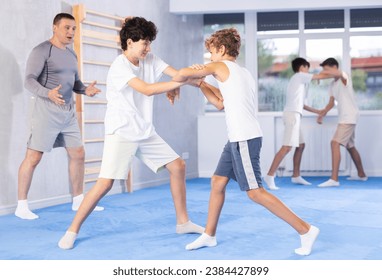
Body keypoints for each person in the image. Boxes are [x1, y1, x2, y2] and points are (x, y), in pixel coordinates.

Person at [58, 17, 204, 250]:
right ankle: (72, 230)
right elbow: (146, 90)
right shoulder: (119, 66)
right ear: (129, 42)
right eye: (144, 43)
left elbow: (176, 74)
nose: (148, 48)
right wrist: (180, 84)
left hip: (144, 131)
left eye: (149, 43)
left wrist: (196, 75)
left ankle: (183, 222)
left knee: (178, 166)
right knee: (105, 183)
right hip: (122, 131)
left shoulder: (150, 58)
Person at [173, 28, 319, 255]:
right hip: (237, 139)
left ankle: (305, 229)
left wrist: (188, 75)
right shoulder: (241, 73)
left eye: (211, 52)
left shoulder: (220, 66)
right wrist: (201, 83)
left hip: (244, 138)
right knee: (217, 182)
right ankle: (209, 235)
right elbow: (220, 103)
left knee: (255, 192)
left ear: (221, 50)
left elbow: (182, 73)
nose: (209, 58)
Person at [15, 13, 103, 220]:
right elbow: (28, 80)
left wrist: (85, 90)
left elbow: (75, 83)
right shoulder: (42, 50)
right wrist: (48, 93)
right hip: (45, 109)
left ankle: (78, 200)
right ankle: (21, 205)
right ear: (55, 27)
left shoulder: (72, 55)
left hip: (68, 112)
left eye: (74, 28)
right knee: (34, 157)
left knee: (78, 153)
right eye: (67, 28)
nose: (71, 32)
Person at [264, 58, 342, 190]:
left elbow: (302, 105)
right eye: (307, 68)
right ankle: (270, 175)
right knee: (287, 147)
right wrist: (337, 73)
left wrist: (318, 111)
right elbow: (320, 76)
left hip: (294, 114)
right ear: (302, 67)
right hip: (292, 115)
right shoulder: (299, 76)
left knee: (300, 145)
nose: (308, 71)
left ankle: (296, 175)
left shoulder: (298, 81)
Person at [317, 58, 367, 187]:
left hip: (348, 117)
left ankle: (334, 179)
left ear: (335, 67)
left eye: (327, 69)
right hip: (346, 117)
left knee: (335, 143)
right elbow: (331, 103)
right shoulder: (332, 85)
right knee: (350, 146)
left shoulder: (344, 76)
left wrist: (318, 76)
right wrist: (322, 113)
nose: (325, 72)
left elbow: (338, 74)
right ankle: (362, 175)